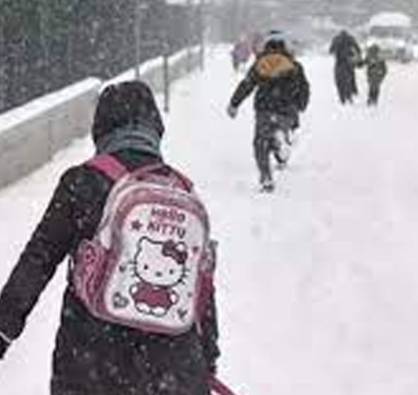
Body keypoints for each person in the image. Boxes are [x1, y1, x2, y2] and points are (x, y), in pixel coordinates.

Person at [0, 81, 221, 394]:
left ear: (101, 129)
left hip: (91, 361)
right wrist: (206, 359)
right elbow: (201, 288)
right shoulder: (182, 191)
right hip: (174, 367)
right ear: (155, 129)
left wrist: (4, 328)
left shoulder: (82, 183)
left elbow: (37, 261)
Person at [227, 31, 310, 193]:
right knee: (281, 131)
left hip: (264, 108)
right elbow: (304, 88)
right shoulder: (294, 65)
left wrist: (234, 104)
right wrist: (301, 106)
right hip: (286, 110)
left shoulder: (260, 64)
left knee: (260, 143)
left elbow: (247, 85)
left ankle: (266, 178)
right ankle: (280, 142)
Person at [329, 30, 362, 105]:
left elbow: (330, 50)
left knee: (339, 80)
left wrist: (336, 50)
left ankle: (342, 98)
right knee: (350, 79)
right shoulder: (350, 39)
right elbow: (358, 48)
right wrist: (357, 57)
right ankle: (349, 95)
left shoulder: (336, 39)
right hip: (348, 62)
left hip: (339, 62)